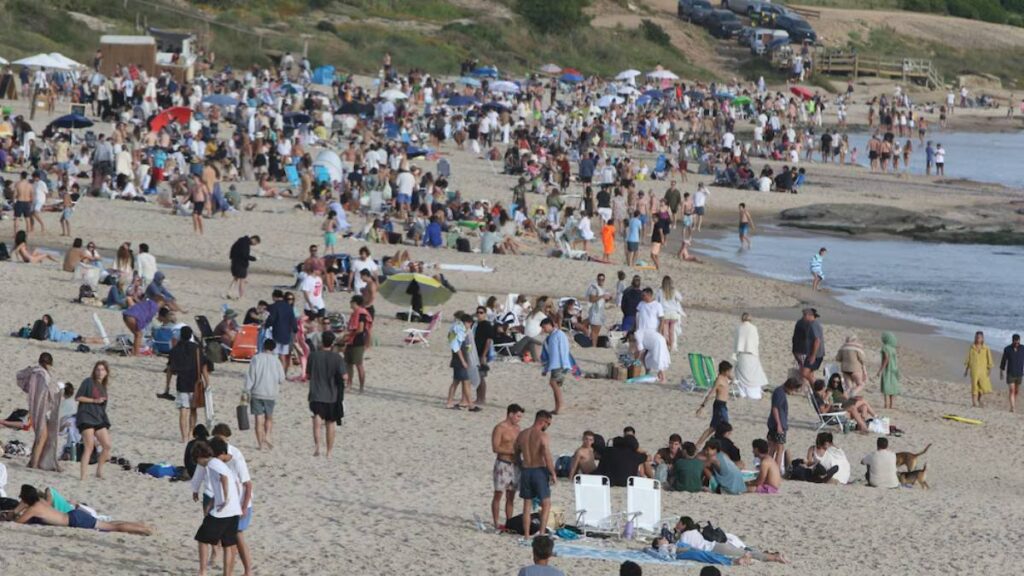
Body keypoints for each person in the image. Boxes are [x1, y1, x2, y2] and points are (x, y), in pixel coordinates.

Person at [5, 484, 152, 535]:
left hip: (75, 519)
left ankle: (144, 530)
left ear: (25, 498)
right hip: (73, 515)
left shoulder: (34, 509)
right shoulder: (42, 502)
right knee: (111, 524)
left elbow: (18, 522)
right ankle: (141, 526)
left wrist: (19, 508)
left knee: (113, 527)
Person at [191, 440, 242, 576]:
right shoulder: (219, 463)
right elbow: (232, 483)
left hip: (223, 512)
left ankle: (202, 572)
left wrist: (225, 500)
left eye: (197, 461)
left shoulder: (212, 463)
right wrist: (213, 501)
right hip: (234, 510)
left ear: (200, 457)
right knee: (228, 545)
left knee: (202, 538)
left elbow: (224, 478)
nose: (198, 464)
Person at [514, 410, 556, 539]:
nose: (548, 426)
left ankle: (527, 535)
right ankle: (542, 533)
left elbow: (516, 452)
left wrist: (521, 465)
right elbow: (547, 456)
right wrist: (552, 473)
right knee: (546, 503)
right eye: (548, 423)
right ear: (542, 421)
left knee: (527, 504)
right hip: (539, 470)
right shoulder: (543, 436)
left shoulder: (522, 434)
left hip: (526, 470)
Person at [17, 354, 61, 471]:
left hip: (35, 407)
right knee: (42, 436)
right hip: (41, 409)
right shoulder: (43, 375)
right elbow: (51, 392)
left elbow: (20, 378)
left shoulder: (34, 372)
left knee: (40, 436)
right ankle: (34, 464)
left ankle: (32, 461)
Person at [306, 331, 346, 458]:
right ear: (332, 343)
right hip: (332, 395)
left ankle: (318, 446)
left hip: (316, 393)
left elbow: (308, 375)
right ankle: (329, 451)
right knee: (330, 423)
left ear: (322, 341)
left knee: (317, 419)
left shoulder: (313, 356)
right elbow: (344, 376)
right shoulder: (337, 358)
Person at [244, 338, 286, 450]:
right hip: (271, 392)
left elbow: (251, 376)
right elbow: (282, 378)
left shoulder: (256, 358)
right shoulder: (276, 361)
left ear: (263, 346)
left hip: (257, 392)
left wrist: (246, 390)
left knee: (258, 418)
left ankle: (260, 445)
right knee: (269, 417)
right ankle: (267, 435)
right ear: (273, 348)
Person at [76, 361, 113, 481]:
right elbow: (78, 397)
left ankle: (99, 471)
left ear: (106, 372)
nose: (100, 372)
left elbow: (103, 406)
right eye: (98, 369)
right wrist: (94, 401)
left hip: (98, 418)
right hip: (86, 416)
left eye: (102, 370)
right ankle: (83, 475)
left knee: (107, 445)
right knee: (89, 447)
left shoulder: (103, 387)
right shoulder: (88, 382)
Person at [168, 326, 204, 442]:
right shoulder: (197, 349)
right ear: (191, 336)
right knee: (193, 410)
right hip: (195, 382)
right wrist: (208, 383)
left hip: (182, 383)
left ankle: (184, 437)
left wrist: (167, 386)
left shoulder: (175, 350)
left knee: (183, 410)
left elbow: (169, 369)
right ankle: (190, 433)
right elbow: (204, 367)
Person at [491, 404, 524, 531]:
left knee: (511, 496)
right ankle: (495, 522)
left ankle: (509, 522)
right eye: (517, 416)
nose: (519, 419)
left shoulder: (517, 428)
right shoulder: (500, 428)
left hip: (515, 465)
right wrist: (512, 451)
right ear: (510, 414)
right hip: (503, 463)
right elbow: (495, 447)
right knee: (498, 493)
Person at [767, 377, 803, 469]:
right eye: (794, 389)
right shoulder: (780, 393)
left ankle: (769, 468)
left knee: (772, 448)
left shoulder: (779, 392)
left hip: (775, 424)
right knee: (779, 449)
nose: (794, 392)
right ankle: (775, 470)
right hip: (778, 425)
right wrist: (779, 425)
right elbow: (775, 409)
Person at [696, 361, 733, 447]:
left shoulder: (725, 378)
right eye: (728, 371)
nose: (729, 373)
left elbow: (732, 379)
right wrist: (702, 406)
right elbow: (711, 393)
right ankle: (700, 444)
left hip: (723, 405)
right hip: (719, 405)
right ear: (724, 371)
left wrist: (730, 377)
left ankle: (699, 444)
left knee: (714, 428)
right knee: (724, 427)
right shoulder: (719, 379)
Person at [446, 312, 477, 411]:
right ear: (466, 322)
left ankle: (451, 402)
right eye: (470, 324)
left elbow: (453, 341)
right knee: (463, 381)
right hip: (459, 360)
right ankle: (469, 405)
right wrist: (463, 361)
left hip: (459, 359)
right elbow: (456, 348)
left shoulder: (457, 328)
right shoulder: (459, 330)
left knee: (457, 382)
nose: (470, 326)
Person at [540, 318, 571, 414]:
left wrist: (564, 364)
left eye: (544, 327)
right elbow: (550, 354)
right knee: (555, 385)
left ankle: (561, 405)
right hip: (554, 365)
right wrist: (546, 369)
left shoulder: (559, 334)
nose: (544, 330)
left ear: (550, 325)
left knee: (553, 383)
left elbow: (563, 350)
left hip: (560, 364)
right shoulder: (550, 337)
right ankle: (557, 407)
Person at [733, 313, 767, 399]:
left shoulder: (739, 328)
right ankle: (754, 393)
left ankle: (743, 392)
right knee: (754, 374)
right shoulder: (753, 328)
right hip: (752, 354)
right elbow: (756, 342)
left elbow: (736, 342)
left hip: (741, 355)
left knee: (741, 373)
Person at [265, 290, 298, 375]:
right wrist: (295, 330)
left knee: (275, 355)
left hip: (277, 333)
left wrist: (266, 325)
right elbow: (293, 320)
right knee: (283, 356)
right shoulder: (289, 307)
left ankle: (274, 374)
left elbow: (271, 319)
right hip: (286, 334)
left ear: (274, 297)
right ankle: (282, 374)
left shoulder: (273, 306)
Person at [343, 295, 372, 392]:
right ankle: (349, 384)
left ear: (354, 302)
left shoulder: (361, 314)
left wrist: (349, 334)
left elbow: (360, 329)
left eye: (351, 301)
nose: (350, 303)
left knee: (359, 365)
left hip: (358, 342)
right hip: (351, 341)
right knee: (348, 364)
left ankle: (361, 387)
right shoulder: (354, 313)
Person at [965, 331, 993, 407]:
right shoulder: (972, 347)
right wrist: (966, 370)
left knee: (982, 387)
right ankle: (974, 403)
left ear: (982, 338)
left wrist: (989, 369)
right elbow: (968, 358)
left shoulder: (986, 348)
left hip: (983, 371)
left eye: (979, 337)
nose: (978, 339)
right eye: (976, 337)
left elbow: (989, 359)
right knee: (974, 386)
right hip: (974, 370)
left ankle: (978, 399)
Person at [656, 276, 684, 351]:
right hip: (674, 313)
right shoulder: (674, 291)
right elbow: (680, 298)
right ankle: (672, 345)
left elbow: (656, 301)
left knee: (665, 331)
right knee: (672, 330)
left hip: (665, 313)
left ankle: (666, 345)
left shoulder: (660, 291)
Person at [227, 235, 260, 300]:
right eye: (255, 243)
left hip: (235, 262)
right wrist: (254, 258)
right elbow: (245, 255)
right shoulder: (245, 244)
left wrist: (232, 258)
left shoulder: (240, 240)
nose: (254, 245)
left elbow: (232, 249)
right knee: (242, 280)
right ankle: (241, 296)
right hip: (241, 264)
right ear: (254, 239)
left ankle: (229, 292)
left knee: (236, 278)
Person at [474, 307, 494, 405]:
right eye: (478, 312)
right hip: (476, 353)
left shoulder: (486, 325)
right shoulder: (477, 325)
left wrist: (484, 355)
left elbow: (489, 340)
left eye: (481, 312)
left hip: (481, 354)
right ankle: (479, 398)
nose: (479, 314)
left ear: (485, 314)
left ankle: (482, 399)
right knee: (478, 377)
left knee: (481, 377)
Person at [585, 273, 612, 344]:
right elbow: (592, 299)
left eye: (602, 279)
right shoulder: (594, 288)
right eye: (600, 279)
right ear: (597, 279)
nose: (601, 281)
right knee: (595, 331)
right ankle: (593, 346)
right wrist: (602, 296)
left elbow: (602, 300)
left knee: (597, 330)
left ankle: (593, 344)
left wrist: (608, 298)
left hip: (600, 312)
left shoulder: (602, 289)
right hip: (595, 312)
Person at [800, 308, 825, 384]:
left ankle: (818, 388)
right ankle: (815, 390)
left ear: (810, 315)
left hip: (815, 354)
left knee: (804, 373)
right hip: (815, 353)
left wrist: (813, 355)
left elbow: (817, 340)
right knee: (810, 374)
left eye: (804, 315)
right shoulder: (813, 324)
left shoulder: (813, 325)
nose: (803, 317)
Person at [878, 332, 902, 410]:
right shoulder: (893, 349)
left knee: (886, 386)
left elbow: (886, 359)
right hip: (894, 369)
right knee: (893, 387)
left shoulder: (885, 347)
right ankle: (891, 405)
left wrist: (881, 369)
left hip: (888, 369)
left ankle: (886, 404)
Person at [1001, 334, 1024, 413]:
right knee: (1011, 390)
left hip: (1019, 373)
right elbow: (1003, 360)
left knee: (1016, 391)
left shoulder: (1022, 348)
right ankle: (1013, 407)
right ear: (1012, 340)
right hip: (1010, 373)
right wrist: (1001, 371)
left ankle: (1013, 403)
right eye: (1015, 341)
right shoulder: (1007, 349)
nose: (1017, 343)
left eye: (1018, 341)